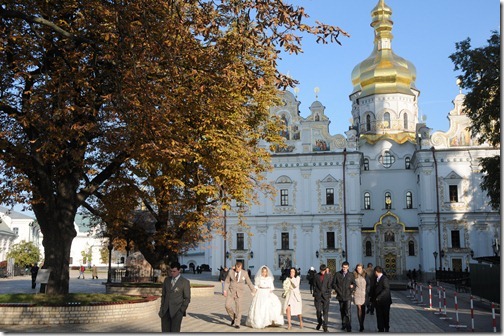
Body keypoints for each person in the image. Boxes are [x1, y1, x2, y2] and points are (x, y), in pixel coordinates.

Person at [158, 261, 191, 332]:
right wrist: (162, 308)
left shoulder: (185, 282)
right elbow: (163, 295)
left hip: (177, 312)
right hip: (165, 311)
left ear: (179, 270)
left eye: (174, 271)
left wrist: (181, 310)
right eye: (171, 271)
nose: (172, 273)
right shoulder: (167, 280)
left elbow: (187, 298)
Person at [223, 261, 256, 329]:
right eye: (236, 269)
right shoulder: (231, 272)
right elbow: (227, 281)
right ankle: (233, 317)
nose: (238, 270)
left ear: (241, 267)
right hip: (231, 291)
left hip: (240, 293)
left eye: (239, 269)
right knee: (227, 305)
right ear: (235, 267)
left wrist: (253, 289)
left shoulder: (245, 273)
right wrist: (225, 290)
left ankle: (237, 323)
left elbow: (249, 282)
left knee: (238, 308)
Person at [333, 261, 356, 332]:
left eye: (346, 267)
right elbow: (333, 284)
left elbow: (354, 284)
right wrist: (337, 289)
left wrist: (351, 288)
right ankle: (343, 324)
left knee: (348, 311)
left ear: (348, 267)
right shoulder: (337, 274)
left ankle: (349, 326)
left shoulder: (351, 275)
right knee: (342, 310)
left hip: (348, 295)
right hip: (340, 295)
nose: (344, 269)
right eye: (343, 267)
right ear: (342, 267)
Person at [312, 264, 332, 332]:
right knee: (318, 311)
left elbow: (329, 286)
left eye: (323, 271)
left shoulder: (328, 276)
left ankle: (325, 326)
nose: (322, 272)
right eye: (321, 270)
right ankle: (319, 322)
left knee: (325, 312)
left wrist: (329, 295)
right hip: (318, 296)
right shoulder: (316, 276)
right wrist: (315, 293)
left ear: (325, 270)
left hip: (325, 296)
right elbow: (314, 285)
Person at [373, 265, 392, 332]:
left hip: (385, 301)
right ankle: (380, 328)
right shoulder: (376, 279)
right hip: (378, 302)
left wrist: (379, 297)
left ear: (376, 272)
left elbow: (386, 289)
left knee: (385, 315)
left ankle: (386, 327)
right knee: (379, 315)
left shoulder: (384, 278)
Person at [353, 263, 370, 332]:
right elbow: (352, 283)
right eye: (357, 268)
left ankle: (362, 322)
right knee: (359, 309)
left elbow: (369, 284)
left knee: (363, 309)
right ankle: (361, 325)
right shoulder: (354, 275)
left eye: (360, 268)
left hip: (364, 294)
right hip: (357, 293)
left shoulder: (366, 275)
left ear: (362, 269)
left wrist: (367, 291)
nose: (358, 270)